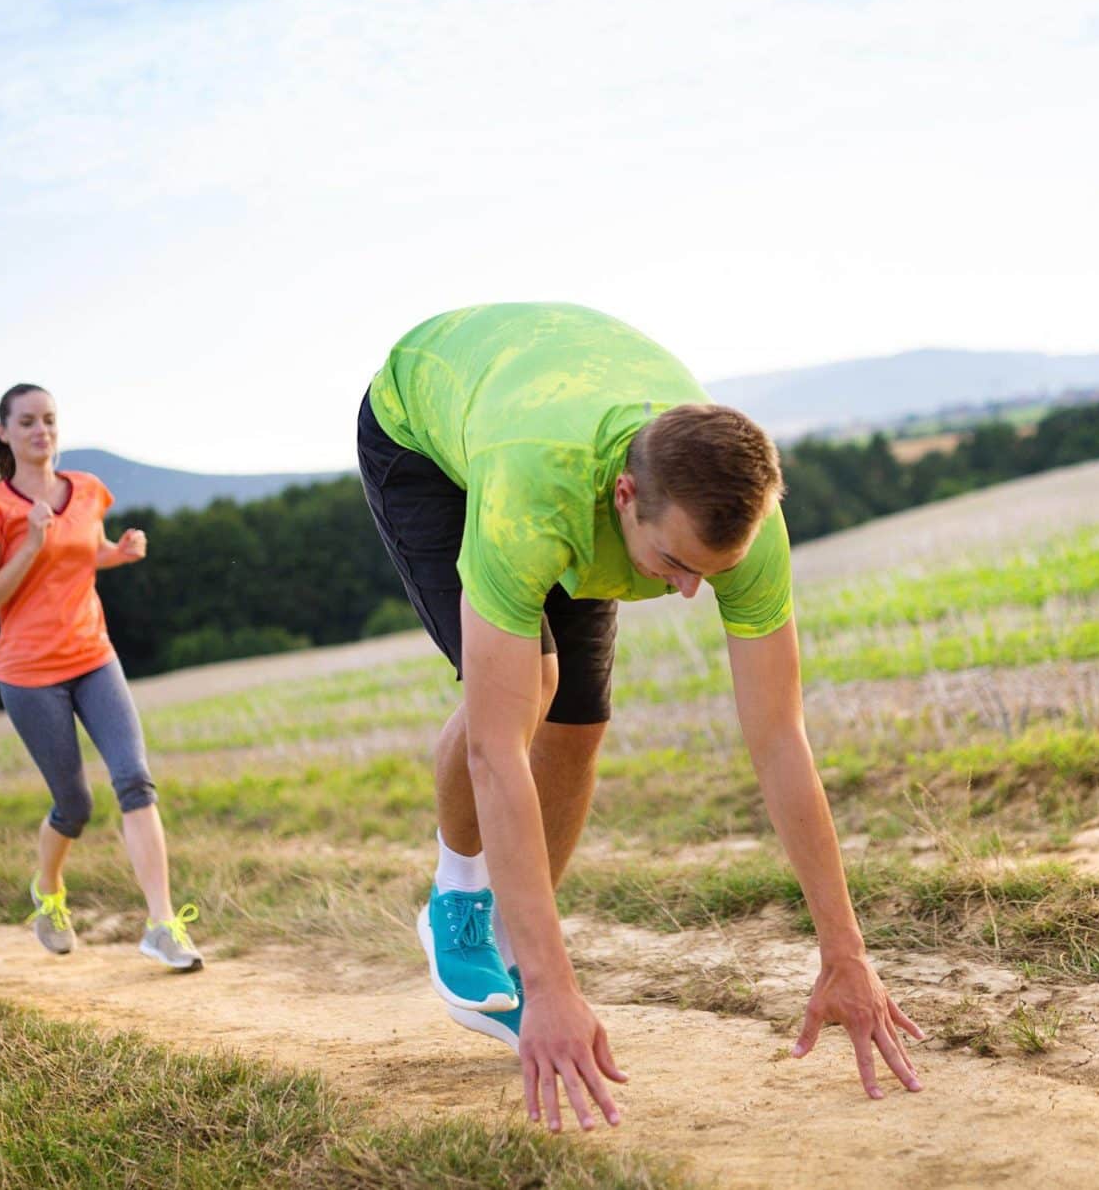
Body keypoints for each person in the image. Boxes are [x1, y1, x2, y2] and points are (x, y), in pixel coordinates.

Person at [358, 304, 922, 1133]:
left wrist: (847, 952)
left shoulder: (740, 526)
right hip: (426, 432)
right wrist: (554, 991)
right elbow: (492, 749)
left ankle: (520, 937)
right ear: (625, 497)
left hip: (559, 398)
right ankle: (460, 899)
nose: (689, 591)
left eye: (712, 571)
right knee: (528, 688)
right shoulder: (533, 494)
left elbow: (778, 736)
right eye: (674, 564)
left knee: (578, 722)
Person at [0, 383, 203, 972]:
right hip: (29, 675)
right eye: (26, 422)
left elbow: (83, 550)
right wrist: (31, 544)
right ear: (5, 433)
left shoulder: (90, 490)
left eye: (48, 419)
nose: (40, 430)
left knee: (135, 781)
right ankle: (47, 893)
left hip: (94, 658)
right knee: (73, 804)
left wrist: (116, 552)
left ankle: (162, 925)